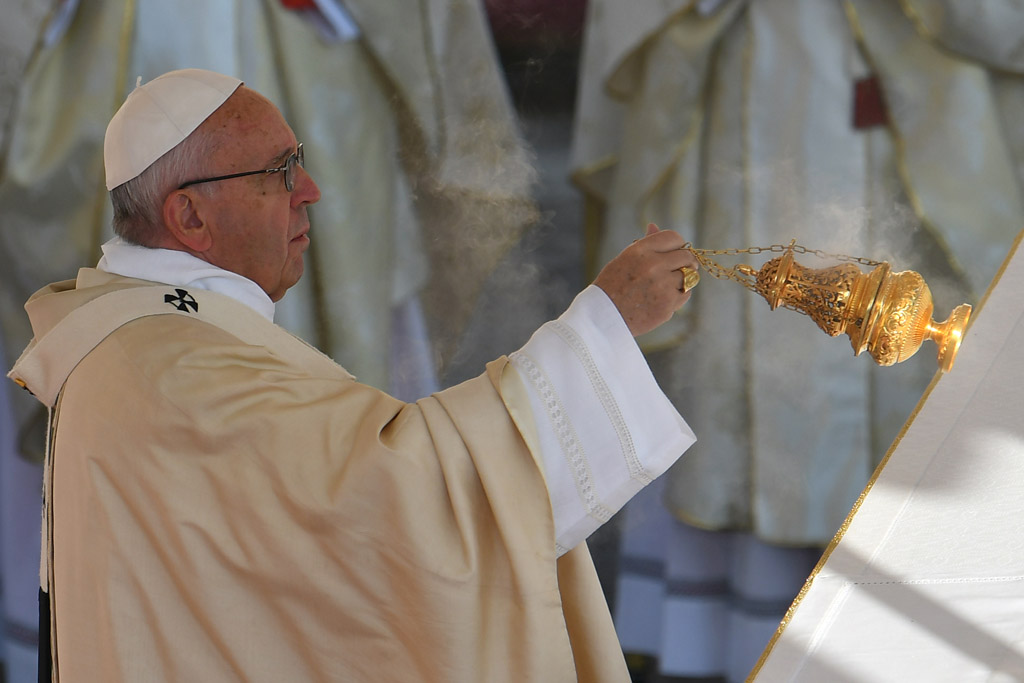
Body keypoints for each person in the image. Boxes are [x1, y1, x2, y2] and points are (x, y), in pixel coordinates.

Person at [9, 68, 700, 682]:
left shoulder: (139, 320)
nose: (308, 192)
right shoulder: (174, 371)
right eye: (278, 173)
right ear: (189, 214)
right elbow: (402, 493)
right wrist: (605, 325)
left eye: (299, 163)